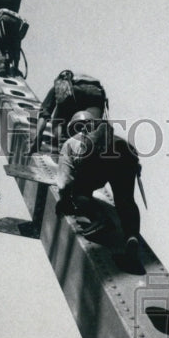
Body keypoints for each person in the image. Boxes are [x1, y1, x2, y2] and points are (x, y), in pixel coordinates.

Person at [55, 109, 143, 272]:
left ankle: (100, 219)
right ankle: (132, 237)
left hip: (97, 160)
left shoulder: (71, 143)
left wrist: (64, 200)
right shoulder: (109, 135)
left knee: (78, 194)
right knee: (126, 201)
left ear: (73, 127)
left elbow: (65, 183)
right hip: (126, 154)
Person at [28, 70, 108, 154]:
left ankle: (62, 144)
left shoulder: (60, 85)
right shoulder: (91, 84)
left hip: (75, 89)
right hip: (97, 92)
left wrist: (37, 137)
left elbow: (44, 114)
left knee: (59, 123)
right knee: (91, 128)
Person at [0, 8, 28, 76]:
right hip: (18, 21)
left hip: (4, 18)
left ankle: (2, 65)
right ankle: (15, 68)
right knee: (16, 43)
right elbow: (17, 45)